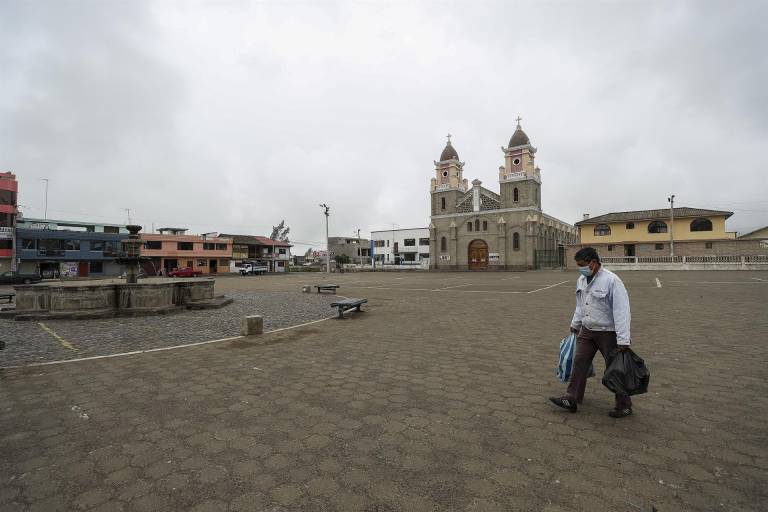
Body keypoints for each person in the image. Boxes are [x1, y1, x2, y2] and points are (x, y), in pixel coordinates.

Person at [550, 247, 634, 418]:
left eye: (582, 265)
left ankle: (624, 405)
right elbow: (580, 305)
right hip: (587, 330)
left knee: (615, 368)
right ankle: (571, 398)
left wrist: (623, 339)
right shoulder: (581, 280)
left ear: (594, 263)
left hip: (608, 333)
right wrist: (575, 323)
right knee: (579, 362)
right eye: (579, 265)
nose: (580, 268)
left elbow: (622, 310)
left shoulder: (612, 281)